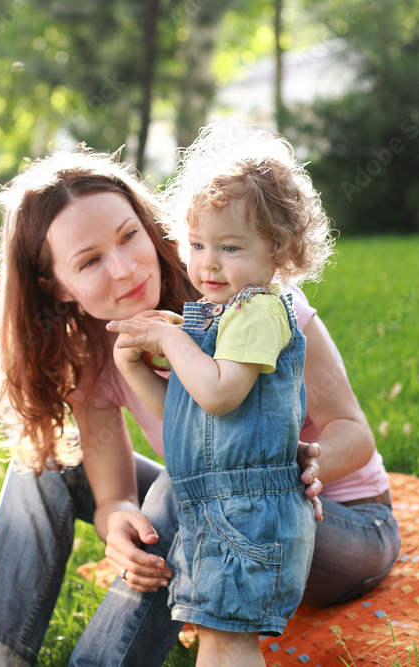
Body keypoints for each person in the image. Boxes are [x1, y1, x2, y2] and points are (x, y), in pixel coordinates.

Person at [0, 148, 398, 667]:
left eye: (128, 237)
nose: (123, 270)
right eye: (90, 260)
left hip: (341, 527)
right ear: (55, 285)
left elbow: (353, 431)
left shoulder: (247, 299)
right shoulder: (95, 355)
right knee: (47, 462)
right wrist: (119, 523)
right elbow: (114, 494)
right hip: (215, 509)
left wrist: (293, 467)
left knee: (181, 484)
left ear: (150, 227)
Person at [107, 123, 333, 665]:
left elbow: (220, 396)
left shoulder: (258, 311)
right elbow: (191, 417)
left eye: (230, 247)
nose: (208, 263)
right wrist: (133, 365)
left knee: (229, 643)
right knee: (216, 639)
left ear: (280, 250)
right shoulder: (220, 317)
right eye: (198, 245)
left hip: (249, 515)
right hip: (212, 510)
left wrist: (167, 337)